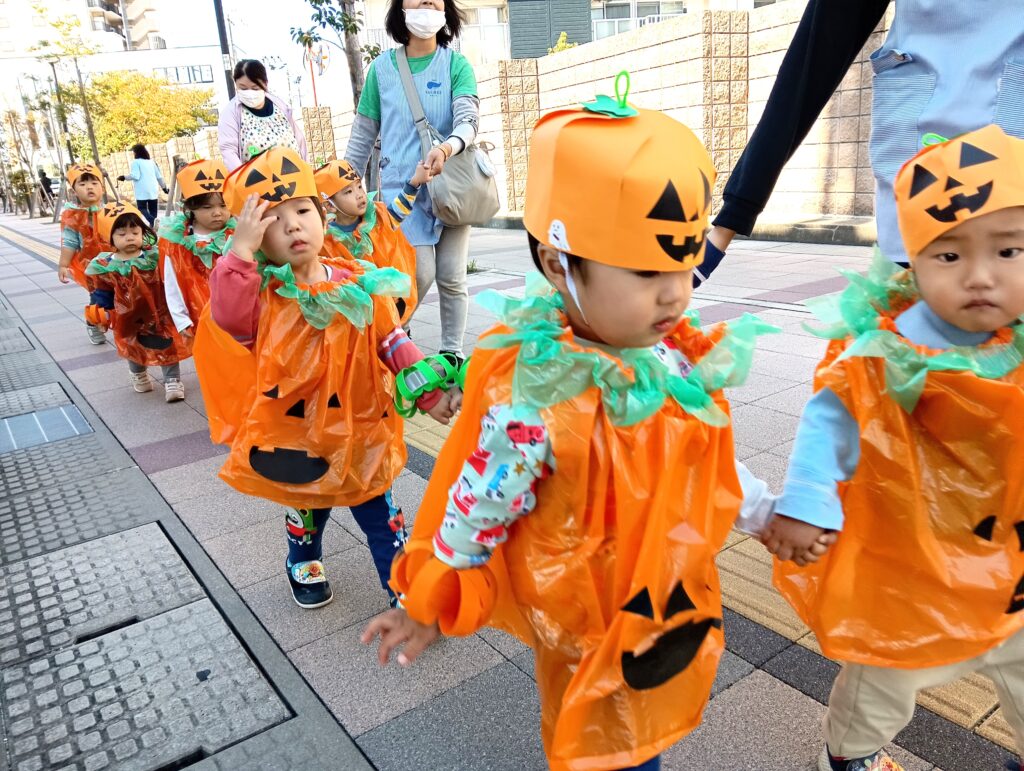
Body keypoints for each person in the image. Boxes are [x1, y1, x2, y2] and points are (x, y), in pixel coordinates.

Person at [361, 87, 805, 771]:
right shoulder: (539, 395)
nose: (675, 292)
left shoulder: (668, 355)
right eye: (647, 272)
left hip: (661, 596)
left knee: (637, 730)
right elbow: (478, 504)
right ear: (556, 264)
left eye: (683, 266)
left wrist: (760, 513)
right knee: (604, 746)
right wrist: (429, 599)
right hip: (583, 617)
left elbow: (699, 454)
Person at [763, 125, 1024, 771]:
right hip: (911, 569)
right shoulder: (890, 349)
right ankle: (851, 756)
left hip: (1013, 569)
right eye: (948, 255)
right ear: (911, 259)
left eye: (1009, 250)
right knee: (883, 679)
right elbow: (834, 413)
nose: (981, 277)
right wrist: (807, 496)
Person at [193, 147, 458, 610]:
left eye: (301, 210)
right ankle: (302, 559)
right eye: (273, 220)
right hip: (297, 433)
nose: (292, 225)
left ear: (322, 214)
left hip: (361, 425)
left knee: (380, 510)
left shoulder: (361, 281)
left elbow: (391, 340)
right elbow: (229, 316)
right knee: (309, 505)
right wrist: (239, 252)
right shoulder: (264, 298)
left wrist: (429, 391)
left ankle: (403, 589)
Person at [705, 0, 1024, 277]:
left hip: (1002, 176)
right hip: (924, 185)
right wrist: (731, 219)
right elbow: (816, 58)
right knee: (923, 332)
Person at [345, 0, 479, 368]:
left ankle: (452, 352)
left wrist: (448, 147)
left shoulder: (456, 65)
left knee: (452, 276)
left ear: (446, 9)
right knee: (417, 275)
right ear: (399, 7)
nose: (427, 3)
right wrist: (340, 184)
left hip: (450, 186)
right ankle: (393, 336)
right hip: (401, 192)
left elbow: (468, 120)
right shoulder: (381, 70)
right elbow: (363, 135)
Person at [85, 202, 191, 401]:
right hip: (126, 316)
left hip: (157, 311)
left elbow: (172, 277)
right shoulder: (106, 265)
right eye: (122, 234)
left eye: (135, 232)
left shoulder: (154, 256)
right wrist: (101, 314)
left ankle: (173, 381)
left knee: (165, 343)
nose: (130, 237)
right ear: (110, 238)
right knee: (132, 346)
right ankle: (139, 374)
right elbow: (102, 292)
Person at [315, 158, 428, 324]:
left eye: (359, 186)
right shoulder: (325, 240)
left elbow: (398, 211)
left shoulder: (377, 217)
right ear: (330, 206)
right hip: (358, 315)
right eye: (348, 192)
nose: (359, 194)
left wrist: (415, 182)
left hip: (390, 304)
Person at [158, 159, 235, 340]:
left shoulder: (237, 233)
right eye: (207, 207)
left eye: (223, 206)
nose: (217, 212)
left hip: (238, 316)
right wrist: (181, 319)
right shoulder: (177, 240)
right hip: (199, 317)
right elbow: (171, 281)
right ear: (191, 208)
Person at [218, 59, 308, 171]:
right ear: (235, 84)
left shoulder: (280, 107)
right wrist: (243, 181)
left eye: (255, 88)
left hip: (293, 176)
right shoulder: (231, 113)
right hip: (256, 182)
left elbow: (299, 141)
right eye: (243, 88)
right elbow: (228, 150)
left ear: (265, 84)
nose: (249, 92)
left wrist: (307, 171)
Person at [58, 163, 111, 345]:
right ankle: (92, 323)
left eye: (94, 183)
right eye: (83, 184)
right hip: (93, 269)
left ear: (102, 188)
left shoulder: (112, 211)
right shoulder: (73, 217)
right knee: (99, 299)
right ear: (74, 191)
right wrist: (63, 265)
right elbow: (70, 242)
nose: (89, 187)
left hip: (118, 264)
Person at [116, 145, 167, 227]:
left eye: (134, 152)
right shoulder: (152, 162)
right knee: (153, 210)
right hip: (153, 189)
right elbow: (159, 177)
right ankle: (153, 226)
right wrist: (164, 188)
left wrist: (124, 177)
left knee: (142, 208)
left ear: (136, 153)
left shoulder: (136, 162)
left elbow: (135, 176)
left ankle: (153, 222)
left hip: (142, 190)